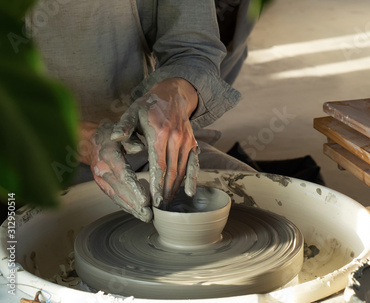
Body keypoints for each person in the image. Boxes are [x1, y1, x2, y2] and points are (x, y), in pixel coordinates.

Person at [26, 0, 256, 222]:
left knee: (259, 195)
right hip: (25, 160)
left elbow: (192, 48)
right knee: (18, 244)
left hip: (140, 148)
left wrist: (174, 94)